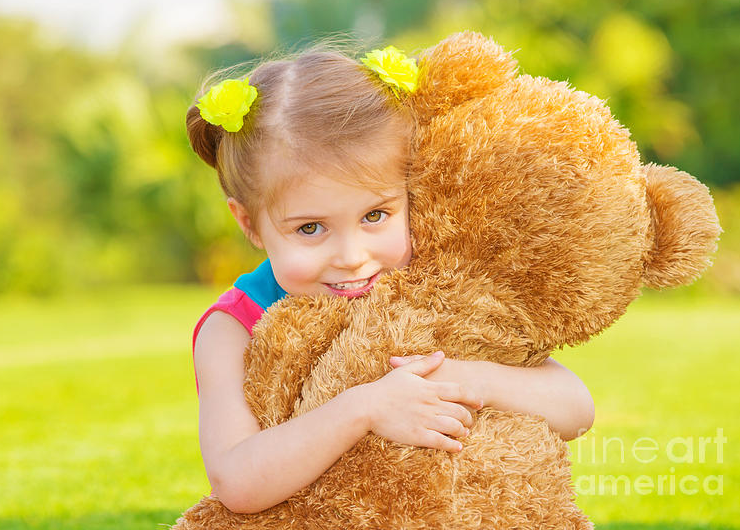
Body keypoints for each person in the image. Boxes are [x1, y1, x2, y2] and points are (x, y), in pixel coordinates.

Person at [185, 45, 595, 515]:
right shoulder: (234, 327)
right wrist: (364, 408)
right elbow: (238, 481)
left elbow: (576, 409)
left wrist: (457, 377)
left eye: (375, 215)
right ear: (249, 224)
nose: (353, 257)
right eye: (309, 228)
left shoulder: (432, 288)